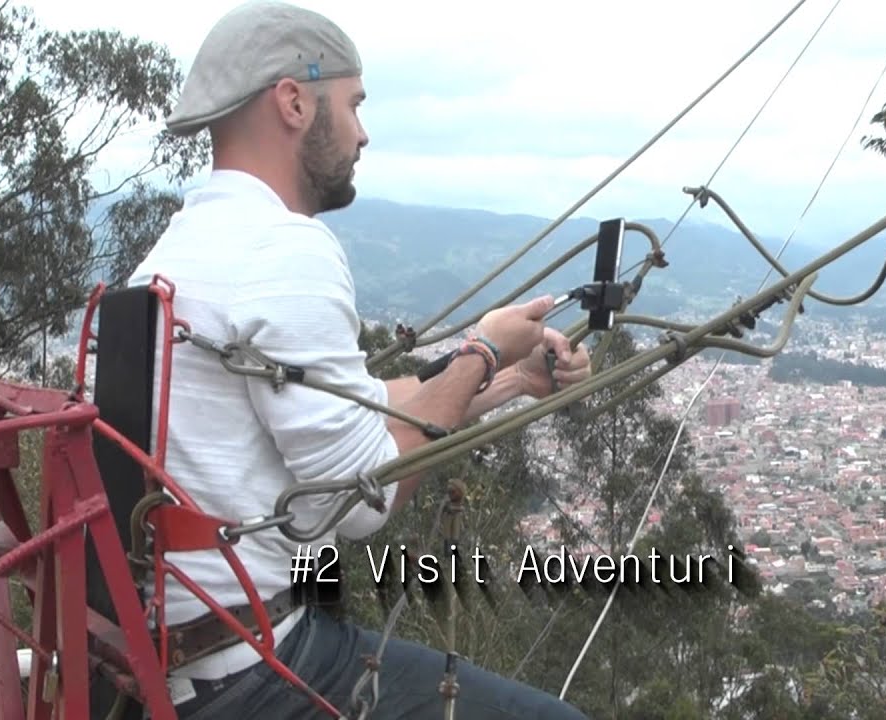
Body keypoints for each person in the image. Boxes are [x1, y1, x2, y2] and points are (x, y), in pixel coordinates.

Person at [126, 1, 593, 718]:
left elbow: (351, 405)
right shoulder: (282, 248)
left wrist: (508, 380)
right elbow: (363, 502)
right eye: (353, 104)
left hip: (177, 652)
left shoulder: (178, 252)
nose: (363, 132)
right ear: (293, 102)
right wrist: (484, 347)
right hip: (251, 668)